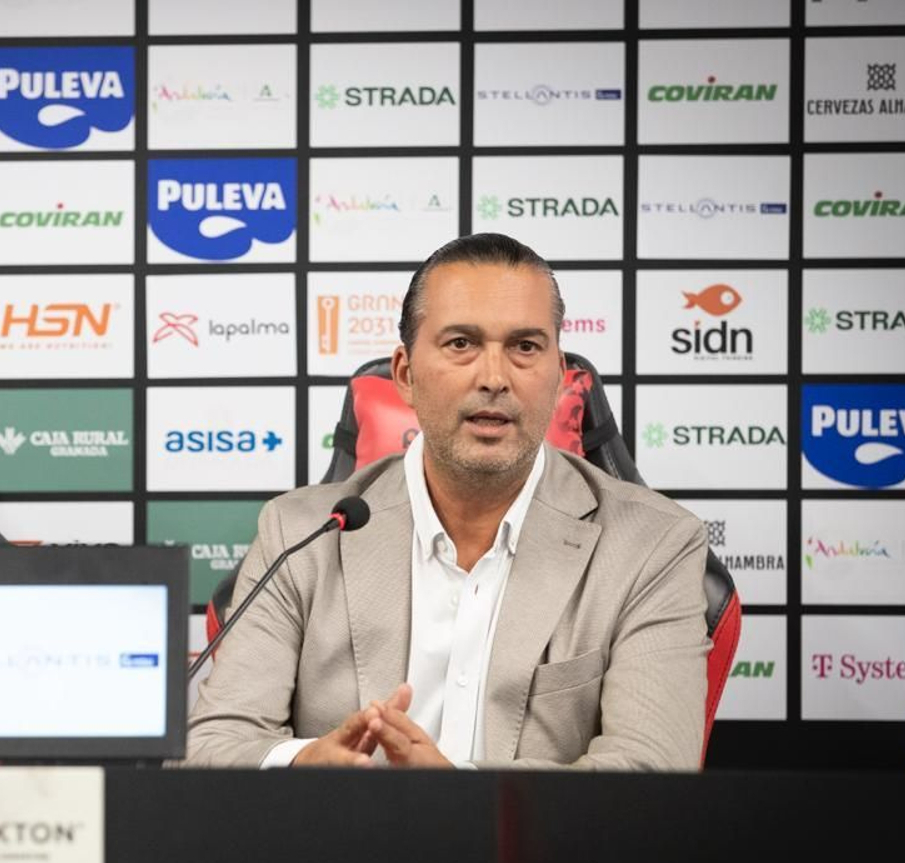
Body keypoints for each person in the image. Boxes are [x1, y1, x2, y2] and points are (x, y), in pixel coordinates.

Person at [186, 233, 710, 770]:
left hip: (533, 853)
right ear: (406, 376)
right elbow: (211, 749)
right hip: (340, 844)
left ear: (559, 378)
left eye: (525, 347)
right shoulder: (299, 533)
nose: (493, 378)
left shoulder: (653, 546)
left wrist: (460, 795)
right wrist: (306, 765)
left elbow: (653, 770)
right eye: (461, 343)